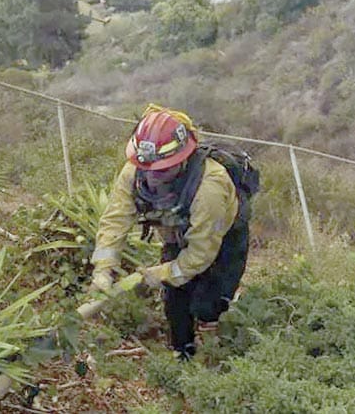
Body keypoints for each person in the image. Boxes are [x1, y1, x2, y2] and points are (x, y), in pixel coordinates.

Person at [90, 105, 251, 360]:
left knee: (210, 302)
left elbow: (200, 254)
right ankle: (182, 353)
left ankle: (216, 355)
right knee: (175, 302)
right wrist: (103, 269)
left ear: (182, 159)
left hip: (221, 236)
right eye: (148, 169)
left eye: (162, 170)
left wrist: (160, 273)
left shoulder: (210, 188)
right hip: (176, 231)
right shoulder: (134, 172)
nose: (153, 178)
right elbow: (115, 221)